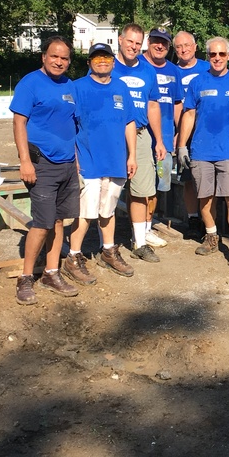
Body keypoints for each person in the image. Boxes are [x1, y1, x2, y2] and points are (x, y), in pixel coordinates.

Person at [10, 35, 81, 304]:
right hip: (41, 165)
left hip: (67, 164)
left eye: (64, 58)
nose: (59, 62)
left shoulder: (70, 86)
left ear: (69, 61)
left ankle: (52, 273)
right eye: (54, 56)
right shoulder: (30, 83)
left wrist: (75, 159)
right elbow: (19, 122)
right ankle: (26, 277)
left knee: (59, 221)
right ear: (44, 57)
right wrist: (25, 161)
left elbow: (72, 125)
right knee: (41, 224)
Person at [177, 37, 229, 268]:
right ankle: (211, 236)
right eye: (213, 54)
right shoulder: (198, 82)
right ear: (208, 56)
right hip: (201, 151)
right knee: (205, 197)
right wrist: (182, 145)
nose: (217, 58)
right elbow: (189, 114)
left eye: (222, 54)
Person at [64, 43, 137, 282]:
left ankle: (108, 251)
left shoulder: (121, 87)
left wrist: (132, 155)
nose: (102, 61)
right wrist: (74, 158)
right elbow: (68, 125)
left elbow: (129, 122)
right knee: (86, 212)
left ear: (113, 62)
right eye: (96, 58)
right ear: (89, 63)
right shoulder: (78, 87)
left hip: (115, 160)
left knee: (108, 209)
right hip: (89, 161)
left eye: (106, 57)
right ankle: (73, 257)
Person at [113, 23, 166, 263]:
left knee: (141, 190)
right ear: (120, 40)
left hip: (142, 135)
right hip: (112, 135)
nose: (133, 47)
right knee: (106, 188)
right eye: (130, 41)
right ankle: (103, 244)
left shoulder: (147, 71)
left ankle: (140, 242)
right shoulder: (107, 66)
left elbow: (153, 105)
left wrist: (159, 140)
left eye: (138, 43)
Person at [141, 27, 182, 247]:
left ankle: (147, 228)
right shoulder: (137, 65)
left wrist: (179, 132)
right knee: (135, 185)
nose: (159, 46)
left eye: (164, 43)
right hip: (138, 137)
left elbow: (177, 104)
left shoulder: (174, 71)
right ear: (148, 42)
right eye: (156, 41)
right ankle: (135, 227)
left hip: (164, 140)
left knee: (156, 186)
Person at [173, 31, 210, 239]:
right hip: (185, 132)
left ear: (195, 47)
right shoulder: (172, 72)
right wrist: (178, 133)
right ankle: (193, 218)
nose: (184, 49)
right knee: (188, 178)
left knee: (210, 176)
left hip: (208, 132)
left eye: (187, 45)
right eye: (179, 46)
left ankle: (209, 220)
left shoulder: (207, 67)